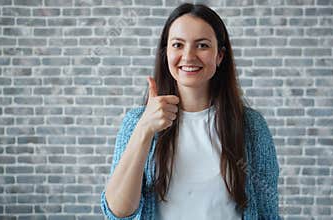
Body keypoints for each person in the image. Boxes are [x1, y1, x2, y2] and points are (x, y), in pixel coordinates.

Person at [101, 3, 280, 220]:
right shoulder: (137, 122)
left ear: (220, 55)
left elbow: (268, 213)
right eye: (177, 45)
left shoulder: (251, 126)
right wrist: (144, 130)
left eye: (202, 45)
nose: (188, 56)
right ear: (166, 52)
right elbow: (117, 212)